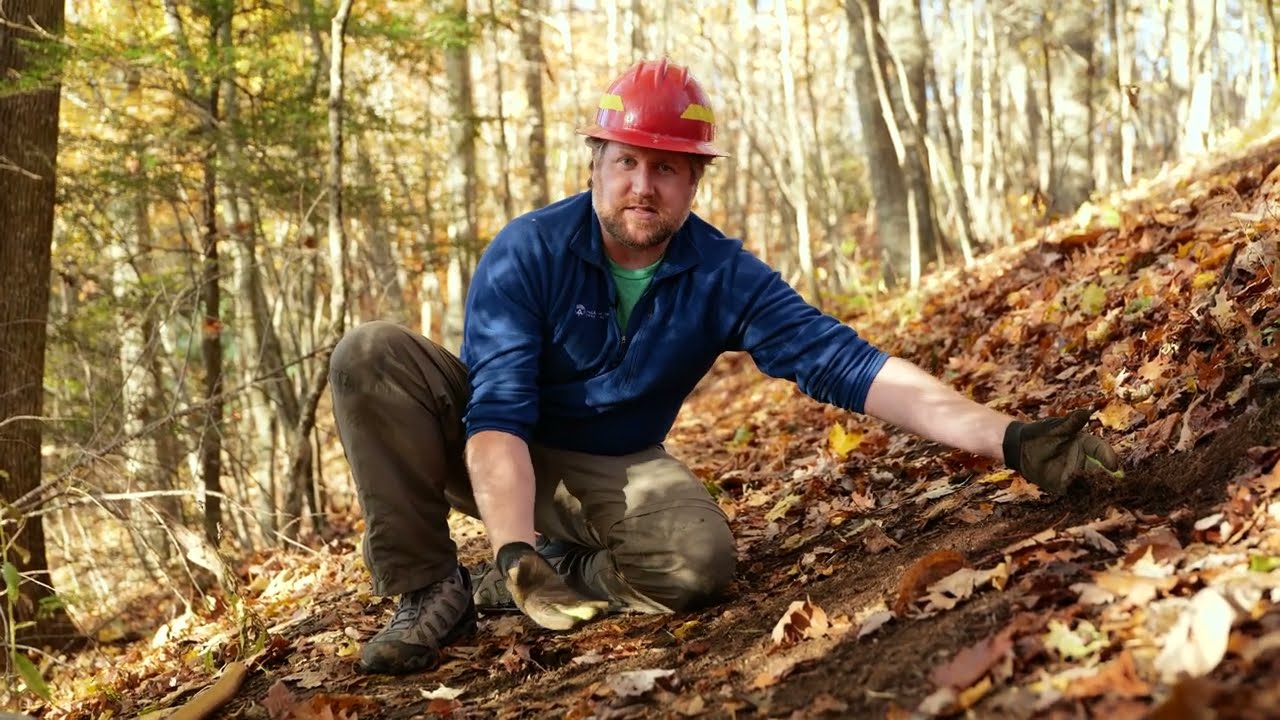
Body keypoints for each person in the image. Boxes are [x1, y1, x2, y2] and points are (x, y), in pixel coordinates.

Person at [328, 59, 1122, 675]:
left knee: (698, 563)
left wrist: (1008, 438)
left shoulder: (721, 274)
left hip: (612, 464)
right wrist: (507, 542)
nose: (645, 185)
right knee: (370, 352)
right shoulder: (528, 251)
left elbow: (849, 364)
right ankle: (435, 589)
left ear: (695, 180)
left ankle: (561, 570)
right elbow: (497, 413)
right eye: (629, 161)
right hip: (487, 448)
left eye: (668, 168)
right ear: (596, 162)